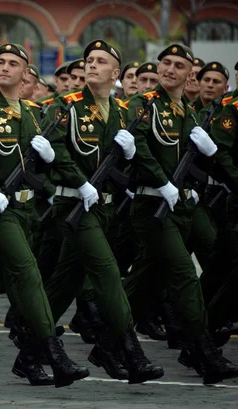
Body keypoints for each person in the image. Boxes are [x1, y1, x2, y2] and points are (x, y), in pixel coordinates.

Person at [0, 42, 90, 388]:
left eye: (12, 63)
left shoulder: (33, 113)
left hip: (24, 207)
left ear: (25, 73)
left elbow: (44, 165)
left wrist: (47, 160)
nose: (3, 67)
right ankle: (52, 352)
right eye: (0, 62)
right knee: (28, 273)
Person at [43, 39, 164, 384]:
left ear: (115, 73)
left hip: (107, 208)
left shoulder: (124, 111)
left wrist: (129, 156)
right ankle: (128, 350)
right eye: (89, 60)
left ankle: (31, 344)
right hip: (75, 205)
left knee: (67, 280)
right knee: (108, 275)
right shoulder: (64, 105)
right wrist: (80, 182)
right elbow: (55, 149)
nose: (92, 65)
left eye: (101, 61)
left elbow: (134, 162)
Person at [123, 43, 238, 384]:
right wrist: (163, 182)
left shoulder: (186, 111)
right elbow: (139, 147)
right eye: (166, 63)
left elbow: (197, 157)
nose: (170, 69)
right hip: (152, 205)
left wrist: (211, 151)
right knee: (185, 275)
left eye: (178, 65)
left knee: (147, 280)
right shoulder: (144, 105)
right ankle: (203, 352)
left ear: (190, 74)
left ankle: (109, 338)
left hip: (182, 206)